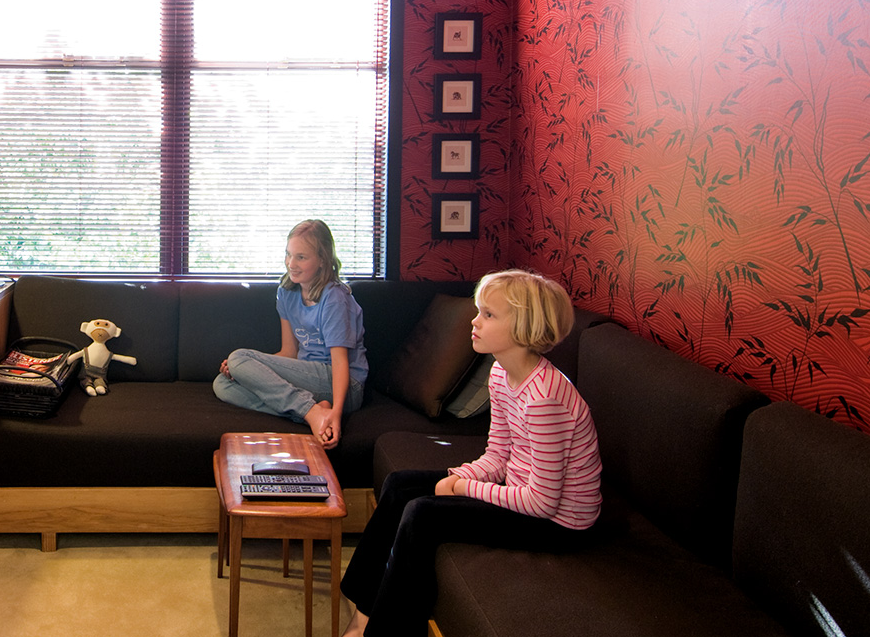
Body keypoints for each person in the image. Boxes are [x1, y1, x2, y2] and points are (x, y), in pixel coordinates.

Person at [339, 269, 602, 637]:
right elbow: (497, 455)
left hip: (559, 524)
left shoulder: (545, 398)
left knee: (423, 514)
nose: (475, 322)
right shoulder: (501, 375)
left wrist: (463, 488)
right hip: (523, 491)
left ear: (523, 327)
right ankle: (363, 612)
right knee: (400, 485)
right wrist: (461, 476)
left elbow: (543, 503)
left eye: (488, 315)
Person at [213, 219, 368, 449]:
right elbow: (289, 352)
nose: (291, 264)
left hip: (345, 386)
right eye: (288, 254)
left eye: (301, 257)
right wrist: (250, 371)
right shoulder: (286, 292)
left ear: (322, 260)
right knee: (223, 384)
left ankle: (311, 412)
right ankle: (313, 412)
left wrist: (336, 413)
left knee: (238, 358)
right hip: (308, 378)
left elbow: (340, 362)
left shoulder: (334, 297)